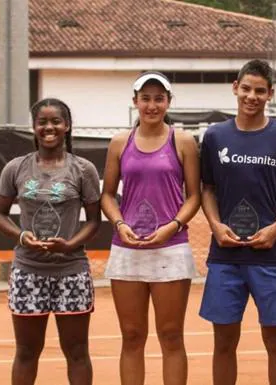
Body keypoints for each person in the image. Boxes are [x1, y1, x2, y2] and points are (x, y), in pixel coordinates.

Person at [199, 59, 276, 385]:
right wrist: (216, 226)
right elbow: (207, 189)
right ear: (235, 87)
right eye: (246, 88)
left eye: (260, 91)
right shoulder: (215, 136)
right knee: (223, 344)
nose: (252, 96)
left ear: (270, 93)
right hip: (225, 256)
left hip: (271, 256)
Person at [100, 71, 201, 385]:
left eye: (159, 98)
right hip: (127, 249)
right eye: (146, 98)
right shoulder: (119, 142)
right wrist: (119, 223)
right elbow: (107, 195)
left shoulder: (182, 141)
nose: (152, 105)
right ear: (135, 102)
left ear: (168, 102)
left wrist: (173, 226)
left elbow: (194, 196)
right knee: (131, 336)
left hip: (171, 249)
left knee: (171, 335)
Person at [0, 98, 102, 385]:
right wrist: (21, 236)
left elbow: (94, 221)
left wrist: (70, 244)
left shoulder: (83, 169)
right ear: (34, 127)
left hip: (72, 271)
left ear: (66, 126)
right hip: (28, 272)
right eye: (42, 122)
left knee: (77, 351)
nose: (49, 127)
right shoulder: (16, 168)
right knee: (27, 352)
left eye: (56, 121)